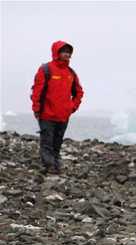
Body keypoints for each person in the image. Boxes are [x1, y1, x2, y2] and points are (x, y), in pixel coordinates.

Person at [30, 40, 84, 175]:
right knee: (47, 142)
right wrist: (36, 109)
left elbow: (79, 92)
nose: (67, 54)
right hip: (47, 114)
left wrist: (72, 107)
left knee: (57, 143)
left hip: (63, 115)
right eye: (64, 52)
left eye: (69, 52)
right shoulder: (46, 69)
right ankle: (50, 166)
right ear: (57, 52)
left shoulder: (71, 73)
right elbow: (37, 91)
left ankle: (55, 163)